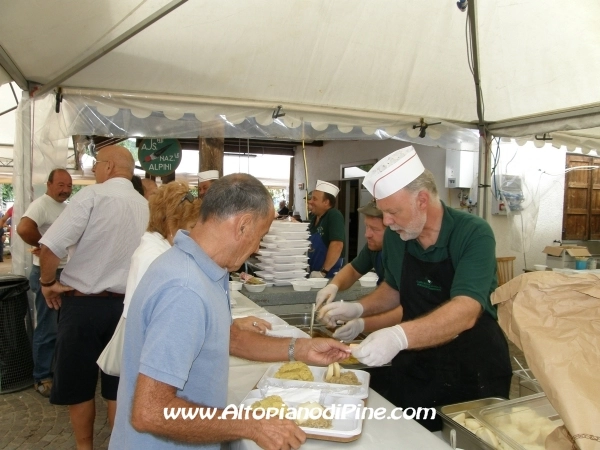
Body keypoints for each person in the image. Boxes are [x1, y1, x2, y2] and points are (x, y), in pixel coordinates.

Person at [109, 173, 350, 450]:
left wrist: (301, 349)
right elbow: (150, 412)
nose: (257, 248)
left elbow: (228, 338)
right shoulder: (185, 289)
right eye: (260, 237)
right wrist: (251, 425)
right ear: (243, 225)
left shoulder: (204, 267)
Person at [319, 146, 512, 431]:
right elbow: (394, 289)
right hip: (418, 364)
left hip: (473, 367)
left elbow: (466, 310)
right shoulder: (399, 236)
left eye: (392, 212)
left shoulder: (472, 233)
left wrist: (398, 337)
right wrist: (358, 308)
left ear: (422, 200)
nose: (386, 221)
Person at [39, 145, 149, 449]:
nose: (93, 170)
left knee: (78, 386)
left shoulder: (92, 195)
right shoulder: (145, 205)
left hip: (83, 304)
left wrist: (47, 282)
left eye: (97, 164)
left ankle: (84, 447)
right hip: (126, 308)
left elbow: (49, 247)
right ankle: (118, 445)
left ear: (109, 167)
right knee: (118, 387)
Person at [16, 168, 73, 397]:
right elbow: (23, 228)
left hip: (64, 272)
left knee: (62, 326)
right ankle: (41, 376)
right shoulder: (41, 204)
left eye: (69, 186)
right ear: (49, 184)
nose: (65, 190)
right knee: (48, 326)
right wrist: (44, 245)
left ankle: (55, 370)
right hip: (46, 273)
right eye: (61, 185)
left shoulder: (65, 207)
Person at [315, 200, 403, 342]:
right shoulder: (373, 248)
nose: (367, 234)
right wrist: (333, 286)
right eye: (366, 226)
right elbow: (353, 270)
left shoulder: (402, 253)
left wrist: (363, 322)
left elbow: (401, 304)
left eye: (374, 229)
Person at [307, 180, 345, 278]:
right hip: (312, 274)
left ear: (326, 202)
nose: (310, 201)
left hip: (328, 276)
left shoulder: (334, 215)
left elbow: (337, 245)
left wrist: (323, 272)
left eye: (314, 199)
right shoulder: (313, 217)